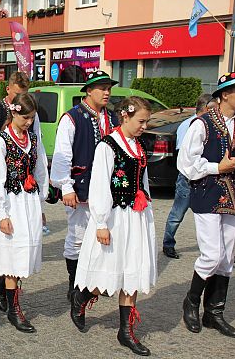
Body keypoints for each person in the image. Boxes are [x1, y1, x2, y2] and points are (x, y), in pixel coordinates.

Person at [71, 96, 156, 356]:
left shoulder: (138, 145)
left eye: (146, 122)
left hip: (136, 215)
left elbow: (143, 182)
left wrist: (148, 212)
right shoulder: (108, 145)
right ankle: (82, 297)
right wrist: (100, 223)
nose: (144, 126)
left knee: (131, 270)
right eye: (141, 121)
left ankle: (126, 331)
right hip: (114, 217)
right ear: (125, 116)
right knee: (106, 271)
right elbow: (99, 185)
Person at [0, 93, 49, 333]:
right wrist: (2, 214)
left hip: (29, 202)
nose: (28, 122)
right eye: (25, 117)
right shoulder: (1, 142)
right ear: (13, 113)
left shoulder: (34, 140)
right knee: (14, 258)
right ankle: (15, 310)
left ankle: (2, 283)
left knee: (22, 254)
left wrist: (41, 205)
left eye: (32, 118)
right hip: (10, 203)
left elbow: (41, 170)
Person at [50, 70, 119, 301]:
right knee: (77, 237)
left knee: (105, 233)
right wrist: (66, 187)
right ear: (88, 91)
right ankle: (75, 285)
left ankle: (96, 280)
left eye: (109, 88)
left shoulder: (113, 118)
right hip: (81, 187)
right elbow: (62, 156)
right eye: (102, 88)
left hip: (109, 189)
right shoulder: (73, 117)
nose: (107, 92)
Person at [177, 72, 235, 338]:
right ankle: (190, 302)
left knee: (226, 259)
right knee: (212, 255)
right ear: (224, 94)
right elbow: (186, 163)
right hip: (207, 194)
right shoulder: (202, 124)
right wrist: (217, 166)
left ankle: (214, 312)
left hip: (233, 197)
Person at [162, 94, 216, 259]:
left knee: (210, 215)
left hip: (206, 174)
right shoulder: (190, 125)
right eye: (214, 109)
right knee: (178, 213)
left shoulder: (210, 124)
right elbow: (185, 157)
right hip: (188, 177)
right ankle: (168, 244)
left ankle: (211, 249)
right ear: (206, 109)